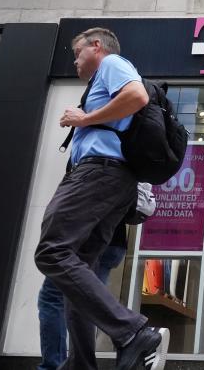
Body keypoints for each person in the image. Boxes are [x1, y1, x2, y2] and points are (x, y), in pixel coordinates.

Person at [34, 28, 169, 370]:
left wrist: (84, 118)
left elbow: (136, 96)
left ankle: (131, 331)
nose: (75, 59)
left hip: (100, 174)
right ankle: (82, 363)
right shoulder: (102, 79)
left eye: (77, 52)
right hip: (111, 180)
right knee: (83, 271)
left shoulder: (111, 64)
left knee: (52, 251)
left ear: (97, 46)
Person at [37, 223, 126, 370]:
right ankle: (81, 365)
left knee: (53, 299)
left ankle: (54, 366)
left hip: (85, 236)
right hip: (114, 240)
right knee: (86, 304)